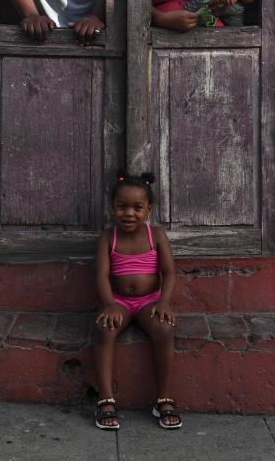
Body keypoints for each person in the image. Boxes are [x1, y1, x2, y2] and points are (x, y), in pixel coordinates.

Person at [93, 172, 181, 431]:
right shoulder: (108, 237)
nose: (129, 213)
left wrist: (164, 302)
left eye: (137, 208)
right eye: (122, 207)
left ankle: (163, 398)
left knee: (164, 329)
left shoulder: (157, 236)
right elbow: (101, 275)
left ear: (148, 210)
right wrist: (109, 304)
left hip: (148, 301)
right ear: (113, 208)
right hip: (118, 301)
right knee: (103, 329)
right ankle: (105, 399)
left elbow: (169, 273)